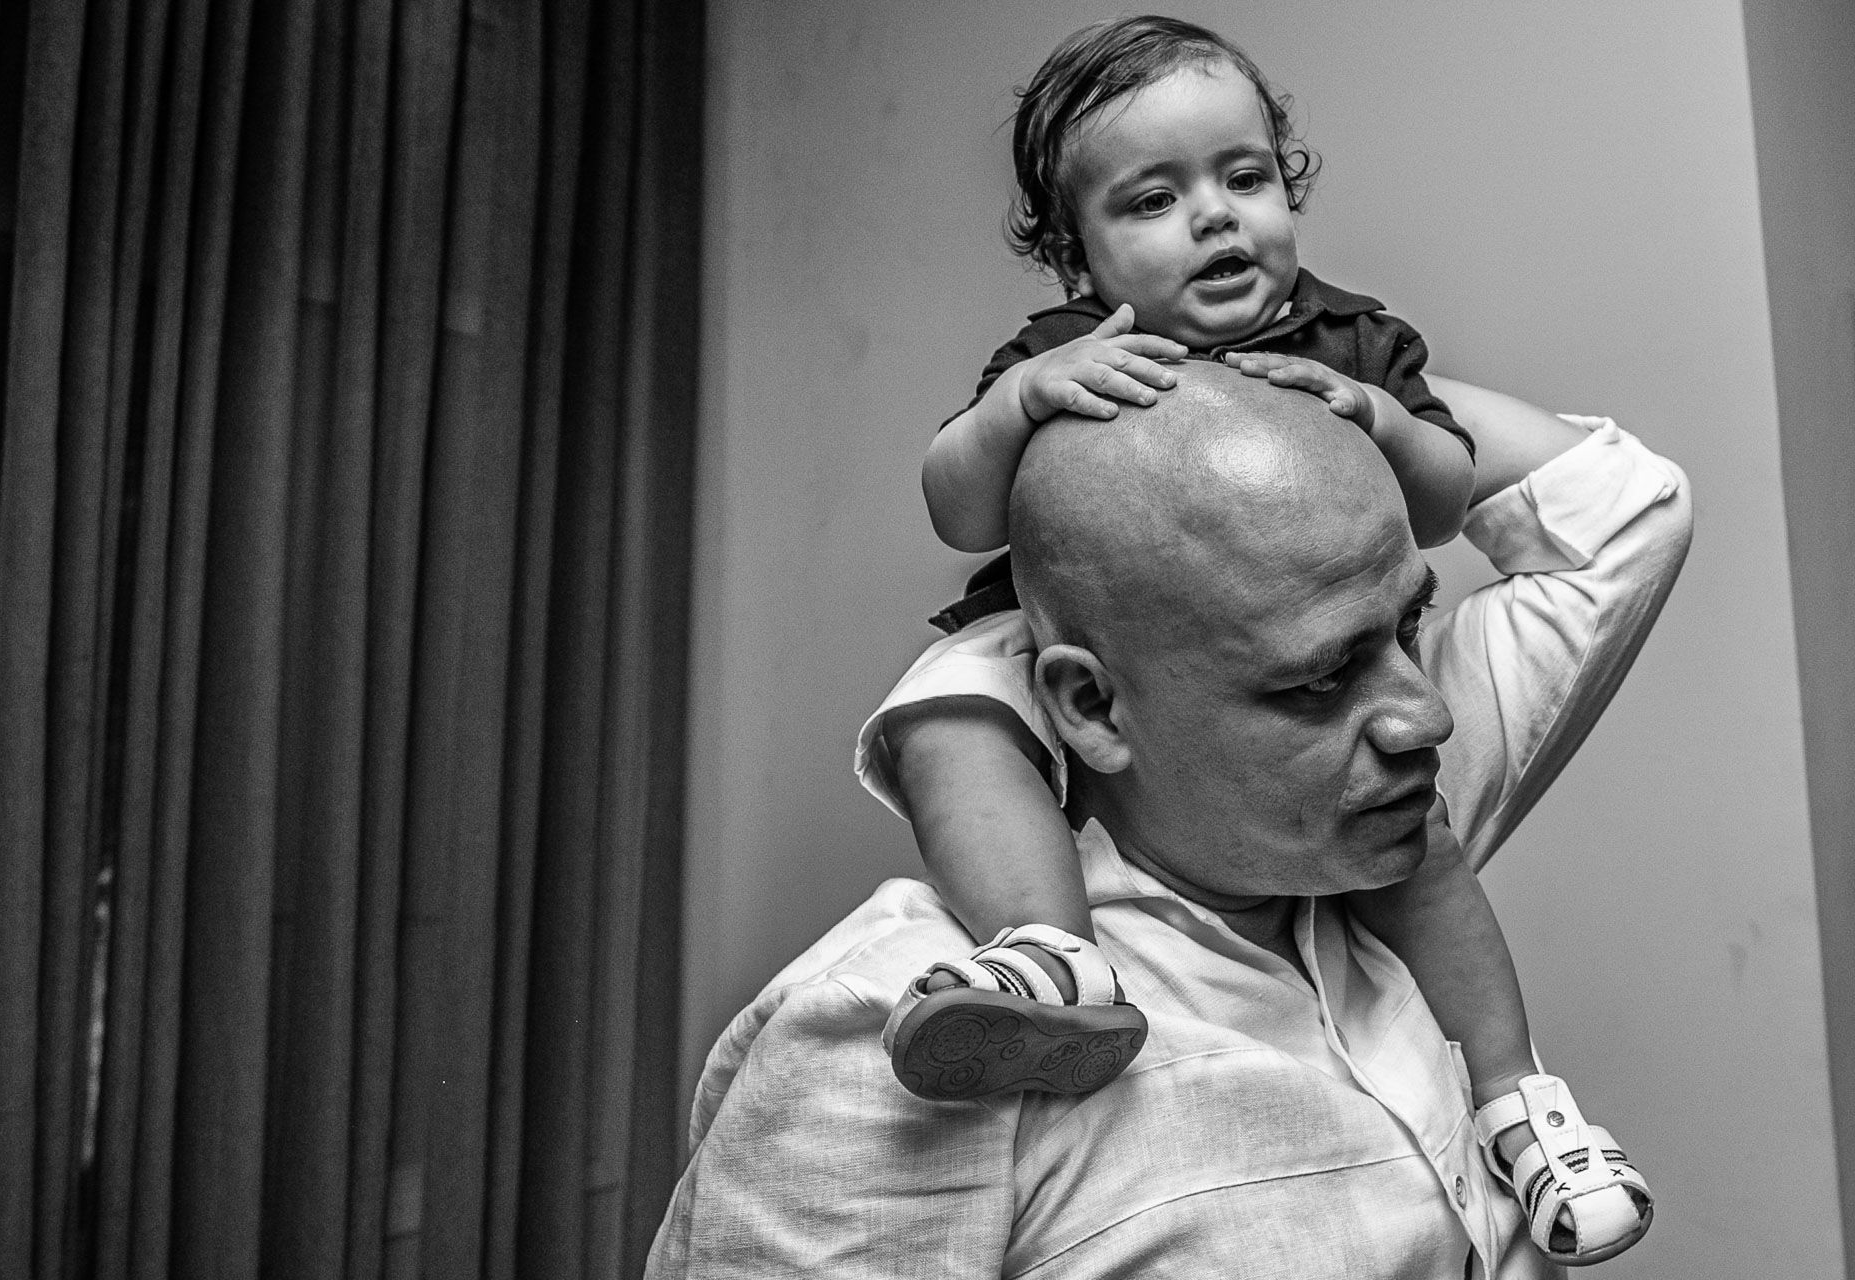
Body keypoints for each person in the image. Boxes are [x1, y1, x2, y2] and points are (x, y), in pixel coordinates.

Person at [867, 20, 1642, 1262]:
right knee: (942, 720)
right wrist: (1015, 408)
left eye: (1246, 178)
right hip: (1057, 631)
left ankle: (1523, 1104)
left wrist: (1386, 421)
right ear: (1080, 252)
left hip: (1282, 666)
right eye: (1155, 199)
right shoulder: (1067, 353)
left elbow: (1448, 505)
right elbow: (961, 509)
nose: (1218, 220)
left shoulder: (1350, 339)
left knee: (1423, 845)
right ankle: (1052, 948)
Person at [651, 366, 1687, 1276]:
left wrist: (1333, 373)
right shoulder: (885, 1033)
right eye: (1323, 676)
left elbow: (1625, 513)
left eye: (1410, 623)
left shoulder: (1390, 836)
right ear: (1094, 708)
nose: (1427, 714)